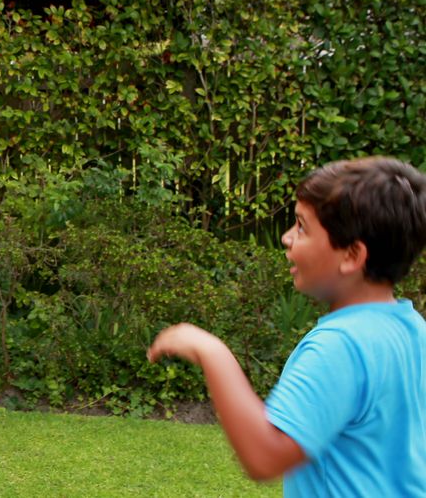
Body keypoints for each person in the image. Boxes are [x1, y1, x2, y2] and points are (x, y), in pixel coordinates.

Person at [148, 156, 426, 496]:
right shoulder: (412, 329)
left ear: (352, 256)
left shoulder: (339, 345)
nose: (286, 238)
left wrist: (212, 352)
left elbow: (265, 456)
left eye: (302, 227)